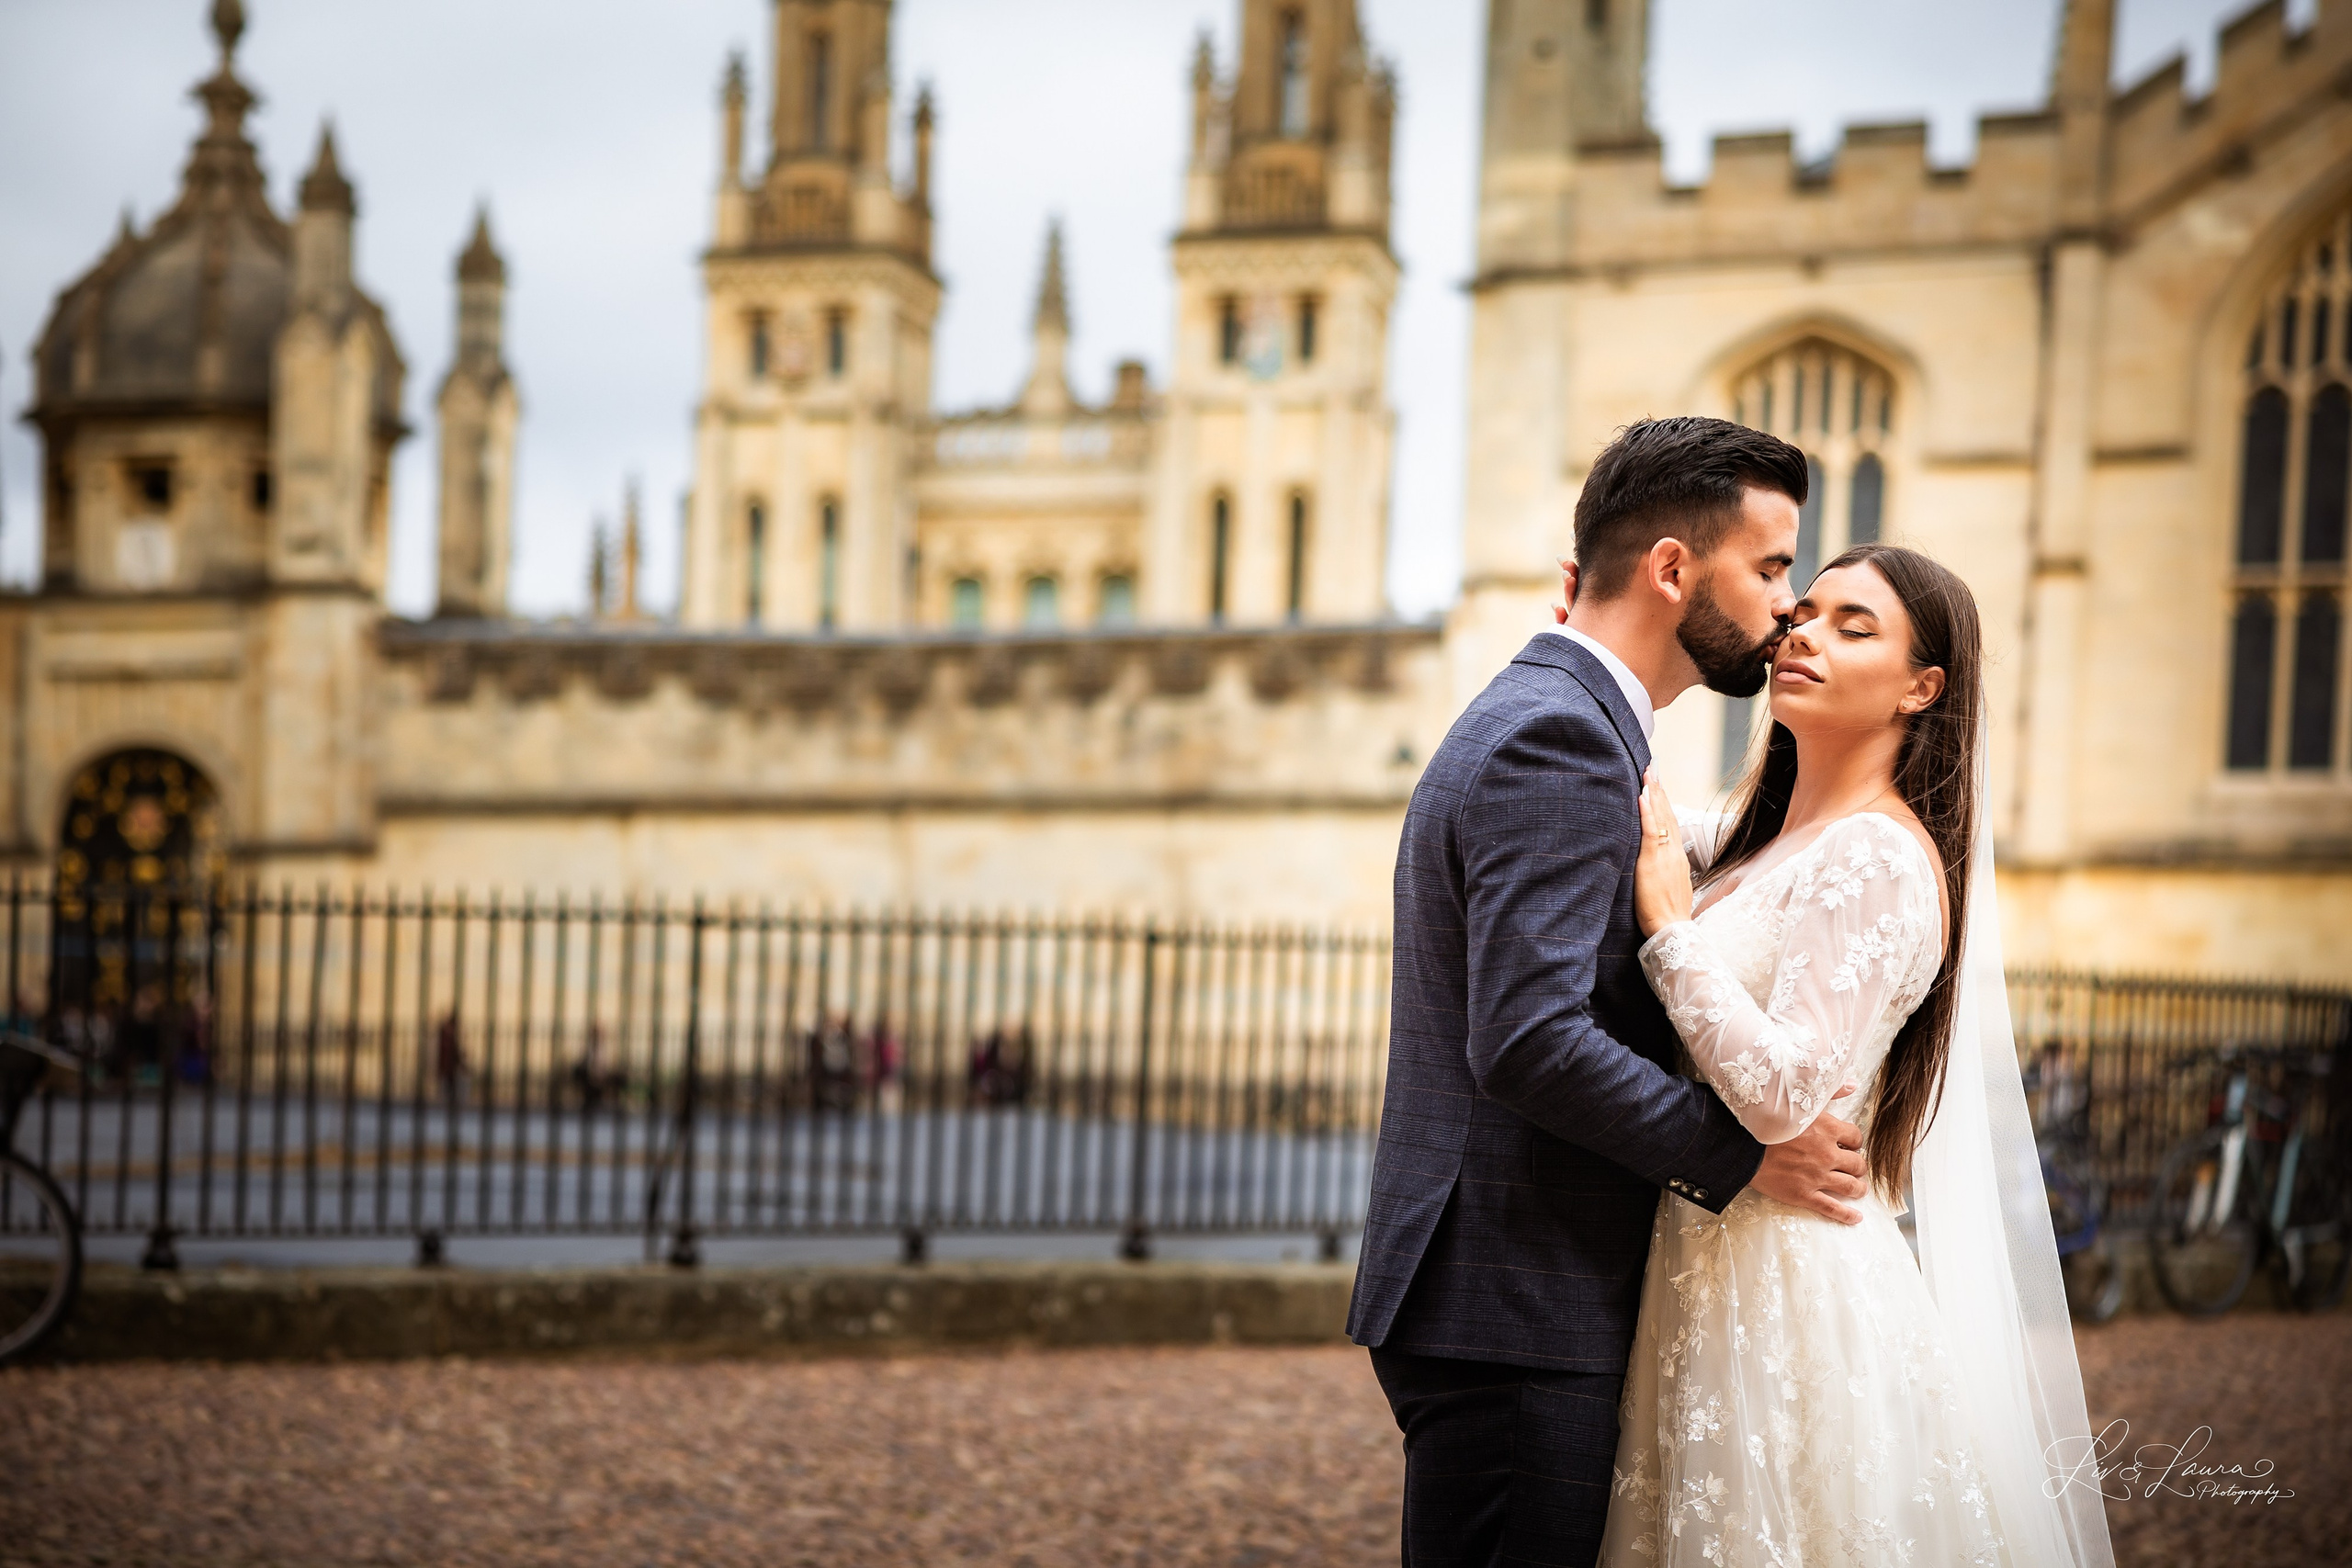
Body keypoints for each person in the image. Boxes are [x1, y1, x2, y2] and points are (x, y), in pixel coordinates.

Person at [1349, 418, 1871, 1568]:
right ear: (1673, 568)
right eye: (1770, 567)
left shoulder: (1563, 716)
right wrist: (1746, 1157)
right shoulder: (1559, 736)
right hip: (1515, 1303)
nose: (1787, 603)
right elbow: (1529, 1039)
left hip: (1506, 1297)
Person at [1599, 543, 2111, 1566]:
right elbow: (1636, 814)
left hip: (1785, 1281)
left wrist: (1671, 935)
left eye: (1853, 626)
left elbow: (1786, 1093)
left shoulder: (1879, 852)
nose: (1804, 636)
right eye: (1805, 615)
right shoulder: (1759, 840)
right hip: (1706, 1259)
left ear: (1922, 689)